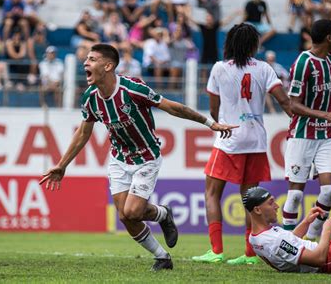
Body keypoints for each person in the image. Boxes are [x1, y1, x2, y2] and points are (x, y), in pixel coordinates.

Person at [39, 43, 237, 271]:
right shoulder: (90, 97)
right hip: (119, 160)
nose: (86, 62)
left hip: (146, 157)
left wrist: (210, 123)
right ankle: (162, 256)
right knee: (124, 217)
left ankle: (163, 214)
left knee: (133, 211)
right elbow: (84, 132)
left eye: (92, 59)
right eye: (86, 59)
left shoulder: (132, 88)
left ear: (108, 66)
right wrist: (62, 165)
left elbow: (172, 107)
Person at [191, 23, 292, 265]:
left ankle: (216, 251)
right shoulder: (265, 68)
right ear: (254, 45)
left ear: (230, 43)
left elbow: (214, 109)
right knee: (250, 198)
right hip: (256, 140)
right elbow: (284, 101)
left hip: (230, 139)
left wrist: (222, 122)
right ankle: (250, 254)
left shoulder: (219, 69)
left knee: (212, 193)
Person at [282, 19, 331, 240]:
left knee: (328, 191)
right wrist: (323, 114)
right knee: (296, 195)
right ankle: (287, 243)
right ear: (329, 37)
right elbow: (293, 105)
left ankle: (311, 240)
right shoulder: (303, 63)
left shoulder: (330, 63)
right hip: (302, 134)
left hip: (327, 135)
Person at [245, 186, 331, 273]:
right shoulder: (275, 240)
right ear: (257, 210)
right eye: (271, 203)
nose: (277, 206)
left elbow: (288, 244)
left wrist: (306, 222)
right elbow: (318, 259)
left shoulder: (254, 238)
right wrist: (326, 230)